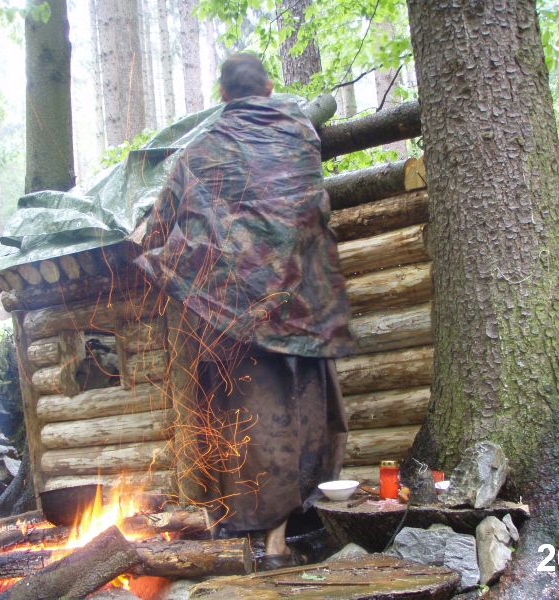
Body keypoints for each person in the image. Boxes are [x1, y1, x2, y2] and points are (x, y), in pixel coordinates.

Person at [135, 53, 354, 568]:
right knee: (300, 421)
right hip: (303, 311)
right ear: (270, 86)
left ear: (223, 95)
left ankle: (261, 542)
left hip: (231, 319)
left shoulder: (200, 151)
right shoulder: (301, 134)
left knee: (251, 425)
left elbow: (163, 222)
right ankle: (276, 538)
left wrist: (146, 241)